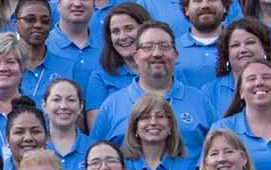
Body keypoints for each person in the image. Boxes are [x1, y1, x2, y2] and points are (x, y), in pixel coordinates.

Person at [90, 21, 215, 152]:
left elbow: (216, 150)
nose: (156, 53)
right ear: (136, 56)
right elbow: (96, 155)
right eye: (148, 47)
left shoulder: (199, 101)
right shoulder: (112, 105)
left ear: (176, 55)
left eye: (164, 46)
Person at [81, 2, 150, 122]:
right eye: (115, 31)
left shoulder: (166, 71)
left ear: (145, 30)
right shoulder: (100, 77)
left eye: (129, 28)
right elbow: (97, 129)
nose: (122, 37)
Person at [120, 94, 197, 170]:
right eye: (145, 117)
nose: (153, 122)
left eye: (160, 116)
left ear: (170, 125)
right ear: (135, 128)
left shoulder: (187, 168)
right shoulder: (121, 169)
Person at [203, 18, 271, 118]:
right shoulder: (209, 92)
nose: (243, 50)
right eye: (235, 45)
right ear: (226, 54)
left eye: (250, 42)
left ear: (265, 49)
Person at [173, 0, 231, 91]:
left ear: (224, 6)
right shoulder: (172, 49)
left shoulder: (238, 46)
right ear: (186, 9)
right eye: (198, 0)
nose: (205, 5)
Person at [40, 77, 92, 170]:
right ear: (44, 105)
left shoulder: (94, 148)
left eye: (71, 100)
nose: (63, 106)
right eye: (56, 99)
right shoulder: (35, 148)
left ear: (81, 106)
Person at [46, 0, 100, 86]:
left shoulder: (107, 47)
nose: (77, 3)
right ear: (59, 4)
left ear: (94, 5)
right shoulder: (43, 45)